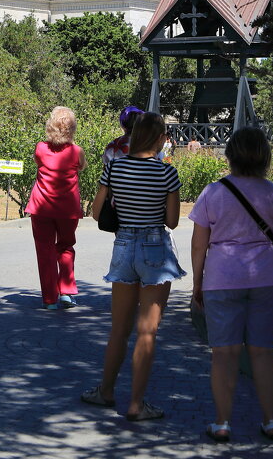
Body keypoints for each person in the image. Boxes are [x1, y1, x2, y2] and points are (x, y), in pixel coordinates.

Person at [188, 126, 273, 443]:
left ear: (230, 156)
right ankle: (271, 420)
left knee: (223, 355)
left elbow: (199, 245)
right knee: (264, 353)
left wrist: (198, 281)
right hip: (269, 279)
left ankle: (222, 423)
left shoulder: (213, 193)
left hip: (222, 279)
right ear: (265, 157)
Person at [83, 112, 183, 422]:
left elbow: (97, 212)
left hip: (123, 245)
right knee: (147, 331)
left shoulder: (114, 167)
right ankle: (137, 404)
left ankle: (106, 391)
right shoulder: (168, 174)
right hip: (155, 246)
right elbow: (172, 221)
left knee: (118, 329)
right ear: (159, 139)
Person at [25, 106, 87, 310]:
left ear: (50, 126)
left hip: (41, 207)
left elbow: (38, 163)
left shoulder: (40, 148)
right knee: (66, 247)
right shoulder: (77, 151)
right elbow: (81, 167)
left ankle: (50, 298)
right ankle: (67, 292)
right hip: (67, 209)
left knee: (45, 251)